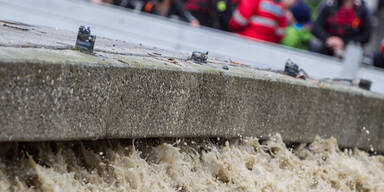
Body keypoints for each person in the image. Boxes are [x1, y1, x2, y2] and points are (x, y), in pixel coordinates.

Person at [228, 0, 296, 43]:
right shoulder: (280, 6)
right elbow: (280, 34)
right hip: (267, 46)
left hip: (246, 40)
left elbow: (239, 21)